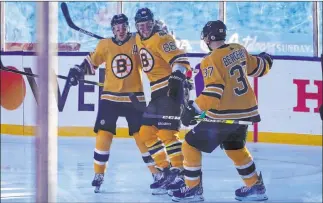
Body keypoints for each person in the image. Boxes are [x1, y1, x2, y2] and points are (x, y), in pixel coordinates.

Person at [171, 20, 273, 202]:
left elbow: (213, 93)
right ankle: (255, 186)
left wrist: (193, 109)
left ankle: (193, 189)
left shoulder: (210, 60)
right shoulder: (238, 49)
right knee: (235, 148)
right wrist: (267, 60)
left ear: (208, 38)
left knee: (189, 144)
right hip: (245, 113)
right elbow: (259, 68)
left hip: (224, 115)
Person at [67, 14, 158, 193]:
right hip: (110, 97)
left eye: (123, 27)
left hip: (134, 98)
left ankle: (157, 173)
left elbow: (151, 48)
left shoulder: (137, 41)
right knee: (103, 134)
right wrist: (78, 71)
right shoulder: (105, 45)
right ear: (112, 30)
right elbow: (91, 62)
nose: (121, 30)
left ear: (128, 27)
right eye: (117, 28)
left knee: (143, 136)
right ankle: (98, 173)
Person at [134, 8, 192, 195]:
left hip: (170, 89)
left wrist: (176, 77)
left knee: (167, 133)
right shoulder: (137, 38)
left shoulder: (162, 38)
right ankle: (166, 171)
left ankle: (180, 172)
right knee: (145, 132)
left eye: (148, 25)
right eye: (141, 26)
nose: (144, 29)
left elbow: (181, 60)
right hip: (156, 93)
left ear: (154, 23)